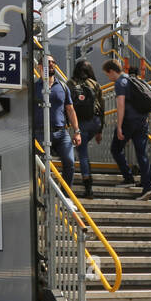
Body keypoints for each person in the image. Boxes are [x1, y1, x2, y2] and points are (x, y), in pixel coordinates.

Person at [103, 58, 151, 201]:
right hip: (142, 121)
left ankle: (128, 177)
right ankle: (147, 187)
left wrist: (119, 126)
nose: (109, 78)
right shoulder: (134, 80)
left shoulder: (120, 83)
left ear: (112, 71)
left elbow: (120, 105)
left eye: (108, 75)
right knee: (142, 154)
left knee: (116, 148)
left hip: (128, 122)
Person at [34, 55, 80, 189]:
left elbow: (70, 110)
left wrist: (77, 131)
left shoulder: (63, 86)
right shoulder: (35, 87)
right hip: (40, 132)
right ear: (40, 66)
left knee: (69, 161)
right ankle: (44, 193)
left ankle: (65, 195)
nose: (52, 64)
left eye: (53, 62)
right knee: (41, 165)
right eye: (48, 62)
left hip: (61, 132)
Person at [69, 58, 104, 199]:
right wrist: (100, 130)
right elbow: (102, 107)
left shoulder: (71, 84)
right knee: (83, 148)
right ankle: (87, 175)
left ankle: (88, 186)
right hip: (95, 122)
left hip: (81, 122)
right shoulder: (95, 84)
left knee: (82, 152)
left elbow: (68, 105)